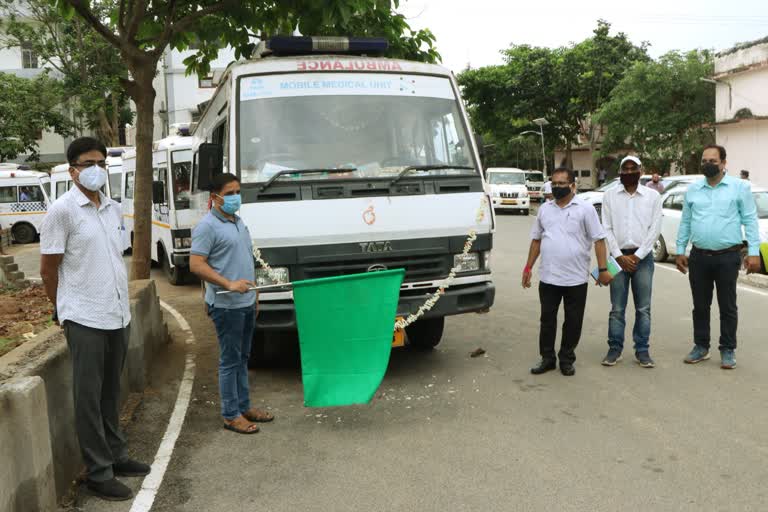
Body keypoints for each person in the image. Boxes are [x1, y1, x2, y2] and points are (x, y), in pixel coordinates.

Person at [39, 137, 149, 501]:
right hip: (84, 317)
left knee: (109, 392)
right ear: (72, 170)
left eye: (101, 162)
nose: (96, 169)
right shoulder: (62, 211)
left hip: (116, 313)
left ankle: (117, 456)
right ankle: (99, 473)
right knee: (87, 398)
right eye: (88, 163)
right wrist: (60, 309)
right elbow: (48, 268)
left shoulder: (113, 208)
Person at [190, 173, 274, 434]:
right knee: (230, 360)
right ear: (214, 197)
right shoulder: (207, 227)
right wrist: (227, 284)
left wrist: (255, 295)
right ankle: (230, 415)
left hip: (246, 302)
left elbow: (246, 260)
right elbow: (196, 264)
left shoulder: (238, 222)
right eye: (229, 193)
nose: (235, 197)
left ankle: (243, 406)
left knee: (243, 357)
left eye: (237, 191)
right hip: (226, 305)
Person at [675, 145, 761, 369]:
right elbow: (685, 222)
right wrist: (680, 250)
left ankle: (727, 349)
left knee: (727, 306)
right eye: (704, 161)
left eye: (713, 160)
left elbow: (750, 220)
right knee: (700, 306)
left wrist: (753, 253)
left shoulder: (739, 188)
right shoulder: (693, 190)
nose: (708, 164)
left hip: (727, 257)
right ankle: (701, 347)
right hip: (699, 257)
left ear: (723, 163)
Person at [523, 167, 612, 376]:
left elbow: (599, 240)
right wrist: (528, 267)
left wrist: (602, 270)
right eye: (554, 183)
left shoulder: (585, 209)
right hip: (549, 276)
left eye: (561, 183)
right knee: (547, 319)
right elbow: (536, 240)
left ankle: (566, 358)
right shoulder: (545, 209)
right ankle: (547, 358)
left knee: (573, 321)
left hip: (576, 278)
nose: (557, 187)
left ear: (573, 185)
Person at [600, 156, 662, 368]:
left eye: (632, 168)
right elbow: (605, 227)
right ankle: (614, 348)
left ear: (640, 170)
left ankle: (642, 350)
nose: (628, 172)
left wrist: (637, 256)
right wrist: (619, 256)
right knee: (617, 307)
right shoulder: (609, 196)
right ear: (619, 172)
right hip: (617, 259)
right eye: (624, 168)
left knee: (643, 308)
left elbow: (654, 230)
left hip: (642, 259)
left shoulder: (653, 197)